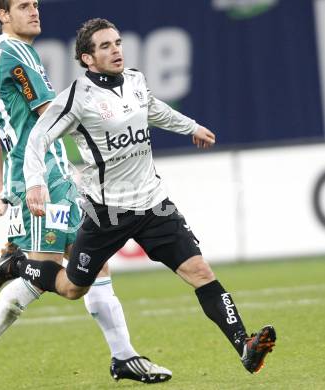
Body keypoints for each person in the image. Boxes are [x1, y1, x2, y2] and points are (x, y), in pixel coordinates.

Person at [20, 17, 277, 378]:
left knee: (199, 270)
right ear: (87, 59)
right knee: (72, 288)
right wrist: (35, 183)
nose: (116, 50)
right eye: (105, 46)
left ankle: (245, 345)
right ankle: (18, 264)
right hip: (106, 211)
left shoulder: (136, 81)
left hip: (154, 203)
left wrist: (191, 127)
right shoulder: (77, 98)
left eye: (118, 43)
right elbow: (37, 138)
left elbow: (154, 110)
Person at [0, 3, 171, 390]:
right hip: (43, 181)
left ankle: (123, 356)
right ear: (2, 15)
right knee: (47, 272)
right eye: (23, 6)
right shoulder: (16, 56)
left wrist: (3, 189)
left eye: (35, 4)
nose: (34, 11)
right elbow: (55, 114)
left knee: (93, 266)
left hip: (54, 177)